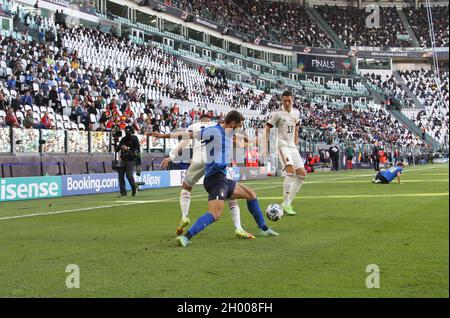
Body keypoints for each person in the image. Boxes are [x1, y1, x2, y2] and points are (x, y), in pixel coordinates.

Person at [166, 110, 278, 247]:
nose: (240, 128)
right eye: (239, 125)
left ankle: (263, 229)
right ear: (233, 123)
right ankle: (186, 237)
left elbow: (244, 143)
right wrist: (163, 136)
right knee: (215, 214)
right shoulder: (214, 132)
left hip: (222, 178)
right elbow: (189, 135)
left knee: (251, 195)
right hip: (215, 179)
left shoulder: (228, 135)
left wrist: (260, 138)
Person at [157, 114, 255, 239]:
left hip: (198, 159)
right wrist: (247, 141)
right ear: (209, 120)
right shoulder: (218, 127)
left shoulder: (195, 126)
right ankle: (238, 227)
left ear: (200, 120)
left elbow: (185, 140)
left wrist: (171, 156)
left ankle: (185, 216)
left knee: (186, 187)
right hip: (215, 159)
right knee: (230, 193)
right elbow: (235, 138)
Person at [265, 90, 305, 216]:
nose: (287, 103)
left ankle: (287, 204)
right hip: (282, 145)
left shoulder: (296, 112)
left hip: (292, 146)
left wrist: (296, 140)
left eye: (289, 100)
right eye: (285, 101)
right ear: (281, 101)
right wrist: (265, 145)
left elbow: (297, 125)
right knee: (290, 172)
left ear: (292, 100)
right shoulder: (277, 114)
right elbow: (267, 128)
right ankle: (285, 203)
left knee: (302, 175)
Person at [116, 125, 140, 197]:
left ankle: (134, 188)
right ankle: (123, 193)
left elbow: (137, 151)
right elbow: (117, 149)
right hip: (123, 159)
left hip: (131, 159)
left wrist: (128, 149)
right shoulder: (123, 139)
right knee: (120, 176)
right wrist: (119, 146)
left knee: (129, 175)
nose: (127, 133)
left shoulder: (135, 139)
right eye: (126, 131)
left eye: (128, 132)